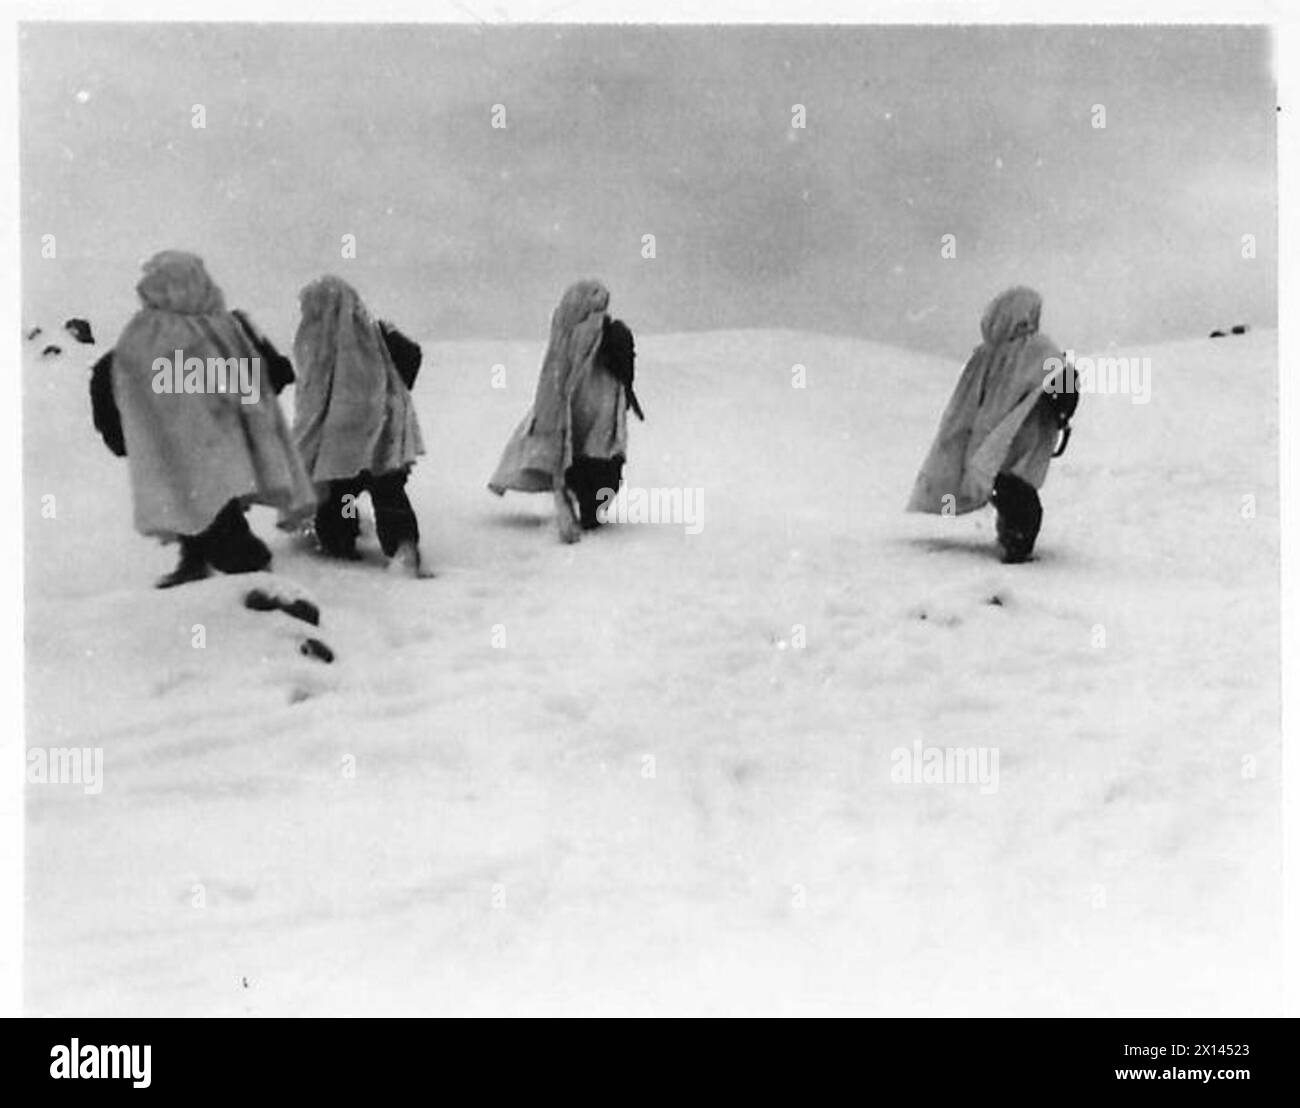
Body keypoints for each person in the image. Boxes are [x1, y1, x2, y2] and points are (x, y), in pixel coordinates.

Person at [103, 250, 314, 588]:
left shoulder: (189, 327)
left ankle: (250, 573)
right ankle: (204, 562)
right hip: (192, 432)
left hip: (203, 434)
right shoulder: (209, 326)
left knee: (210, 501)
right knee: (197, 498)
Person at [907, 286, 1078, 562]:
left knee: (997, 481)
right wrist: (1062, 410)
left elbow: (965, 403)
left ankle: (1012, 538)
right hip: (1020, 434)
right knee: (1016, 486)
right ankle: (1016, 542)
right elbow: (1065, 381)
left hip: (990, 433)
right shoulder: (1037, 349)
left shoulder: (986, 355)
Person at [291, 275, 429, 577]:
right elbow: (413, 356)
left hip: (340, 445)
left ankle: (341, 541)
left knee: (341, 495)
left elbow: (311, 397)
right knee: (388, 492)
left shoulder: (318, 345)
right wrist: (391, 390)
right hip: (384, 434)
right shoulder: (378, 333)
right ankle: (403, 547)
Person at [488, 280, 643, 540]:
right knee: (603, 465)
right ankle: (586, 511)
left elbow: (555, 372)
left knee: (572, 459)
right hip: (601, 412)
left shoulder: (566, 328)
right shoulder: (609, 333)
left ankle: (571, 499)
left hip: (574, 408)